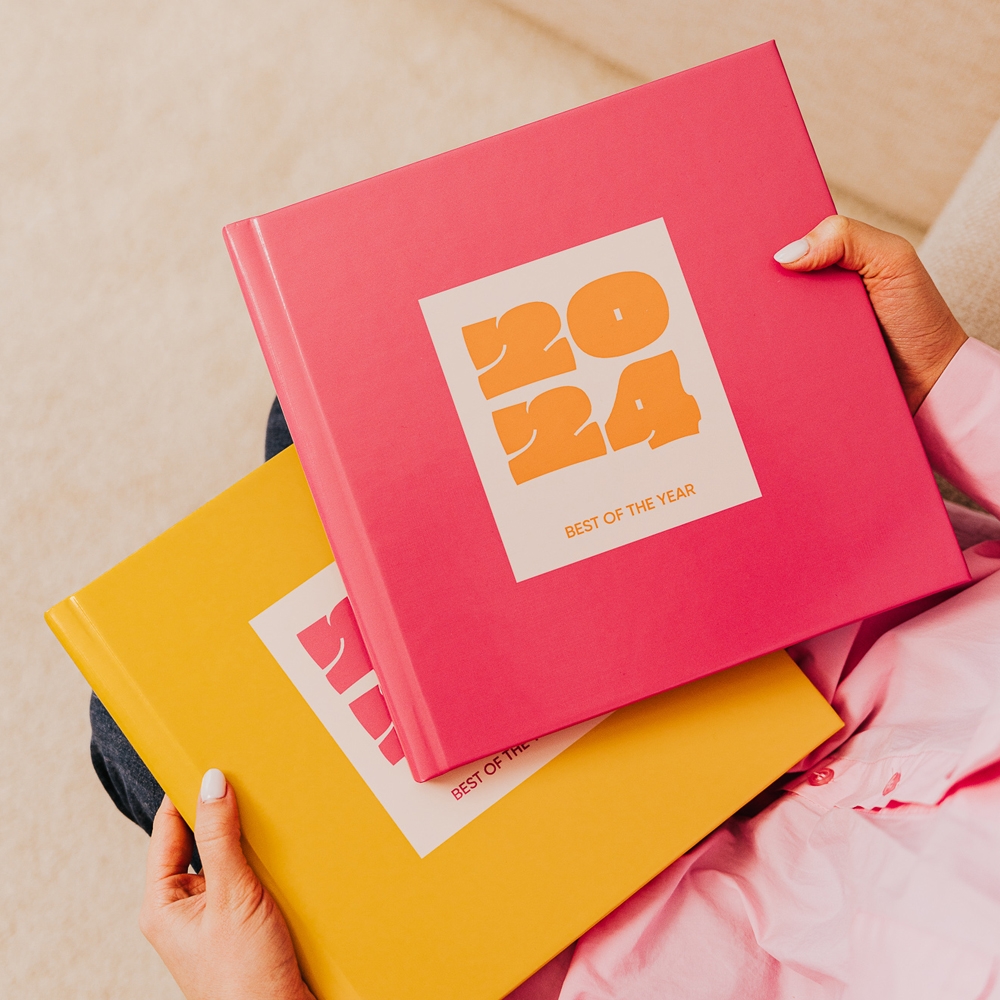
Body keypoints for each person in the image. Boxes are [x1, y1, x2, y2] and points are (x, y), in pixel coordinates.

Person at [101, 215, 1000, 998]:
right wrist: (942, 378)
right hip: (789, 615)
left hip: (586, 909)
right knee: (346, 396)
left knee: (133, 725)